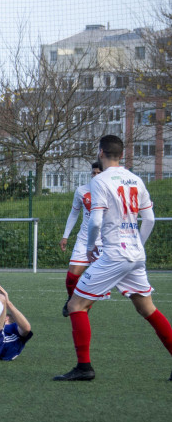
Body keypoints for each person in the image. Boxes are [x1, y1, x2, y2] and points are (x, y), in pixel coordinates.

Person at [55, 135, 172, 381]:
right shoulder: (136, 179)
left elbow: (96, 220)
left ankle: (84, 367)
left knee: (76, 305)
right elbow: (149, 219)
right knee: (147, 308)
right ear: (122, 155)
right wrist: (137, 244)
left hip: (113, 254)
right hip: (136, 254)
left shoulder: (100, 181)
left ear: (100, 152)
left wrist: (89, 249)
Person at [59, 161, 104, 317]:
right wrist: (65, 236)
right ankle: (72, 299)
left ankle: (84, 305)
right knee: (71, 277)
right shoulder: (81, 191)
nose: (96, 176)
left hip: (104, 243)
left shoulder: (111, 191)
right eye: (94, 173)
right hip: (84, 240)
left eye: (99, 173)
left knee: (97, 280)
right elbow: (74, 214)